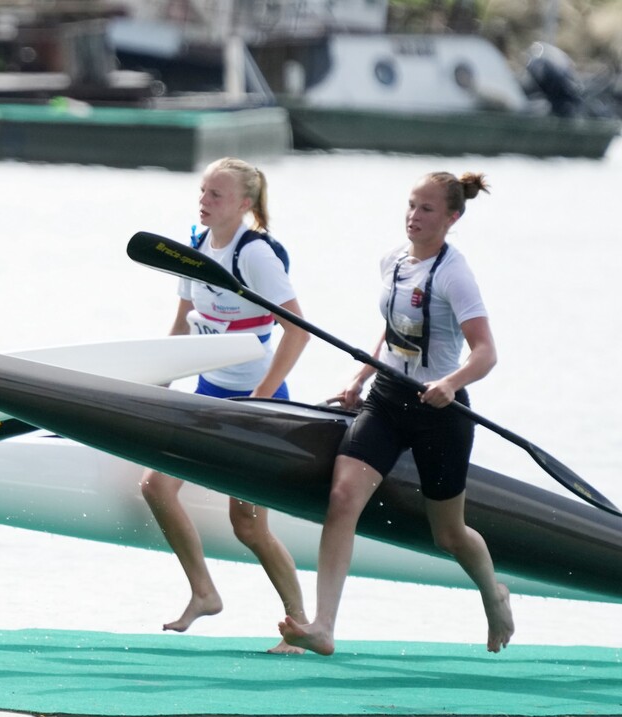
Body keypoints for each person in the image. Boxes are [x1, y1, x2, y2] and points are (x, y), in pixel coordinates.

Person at [279, 171, 515, 656]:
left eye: (427, 209)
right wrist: (358, 379)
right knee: (343, 498)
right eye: (411, 205)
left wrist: (450, 384)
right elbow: (391, 331)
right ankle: (323, 626)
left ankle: (493, 594)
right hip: (387, 396)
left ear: (451, 218)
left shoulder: (454, 274)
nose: (414, 216)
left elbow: (486, 352)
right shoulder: (392, 261)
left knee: (448, 534)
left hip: (440, 411)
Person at [139, 157, 311, 653]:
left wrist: (260, 400)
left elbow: (298, 331)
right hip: (209, 394)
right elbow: (181, 324)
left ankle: (299, 625)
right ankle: (204, 591)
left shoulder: (255, 256)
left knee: (249, 526)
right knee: (155, 486)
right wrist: (159, 386)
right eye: (202, 191)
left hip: (260, 401)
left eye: (216, 194)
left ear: (245, 204)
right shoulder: (193, 248)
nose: (204, 201)